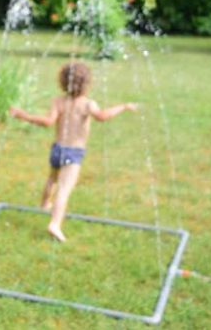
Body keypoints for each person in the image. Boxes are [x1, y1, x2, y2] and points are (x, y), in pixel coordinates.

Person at [9, 61, 137, 242]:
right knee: (64, 189)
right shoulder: (88, 104)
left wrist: (23, 115)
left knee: (52, 178)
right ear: (87, 84)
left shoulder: (58, 101)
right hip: (73, 153)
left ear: (62, 82)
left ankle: (45, 203)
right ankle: (55, 224)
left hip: (57, 149)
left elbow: (47, 122)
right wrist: (123, 106)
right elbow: (102, 117)